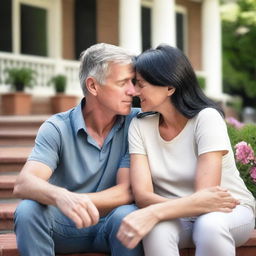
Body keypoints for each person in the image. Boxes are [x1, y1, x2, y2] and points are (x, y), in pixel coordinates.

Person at [117, 44, 255, 256]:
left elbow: (206, 196)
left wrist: (155, 211)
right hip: (177, 217)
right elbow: (143, 196)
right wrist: (158, 213)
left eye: (141, 85)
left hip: (228, 211)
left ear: (170, 88)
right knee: (156, 230)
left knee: (210, 225)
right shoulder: (140, 126)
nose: (134, 92)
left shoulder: (206, 118)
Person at [13, 43, 144, 256]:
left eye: (134, 82)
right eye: (123, 83)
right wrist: (62, 197)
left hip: (112, 225)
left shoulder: (136, 123)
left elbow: (127, 190)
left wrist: (79, 201)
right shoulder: (57, 127)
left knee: (128, 215)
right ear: (93, 86)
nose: (133, 91)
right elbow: (24, 183)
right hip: (63, 226)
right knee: (28, 211)